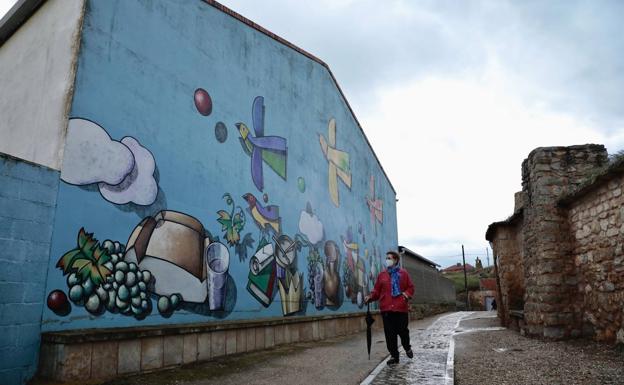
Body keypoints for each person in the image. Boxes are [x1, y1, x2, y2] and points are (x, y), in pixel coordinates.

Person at [365, 250, 415, 366]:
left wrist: (405, 295)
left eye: (389, 258)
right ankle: (394, 356)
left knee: (403, 331)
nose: (387, 260)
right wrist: (370, 297)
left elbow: (411, 288)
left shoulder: (403, 274)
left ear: (396, 260)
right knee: (390, 334)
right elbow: (377, 290)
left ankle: (407, 347)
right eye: (386, 258)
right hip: (386, 309)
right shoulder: (382, 275)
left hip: (401, 308)